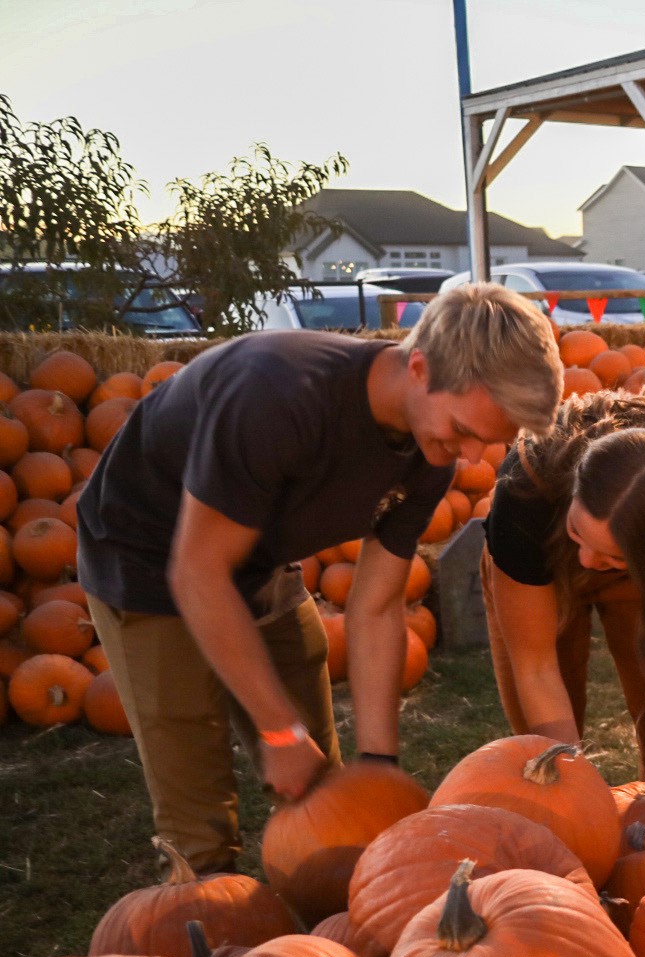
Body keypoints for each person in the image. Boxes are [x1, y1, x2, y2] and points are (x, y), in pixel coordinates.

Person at [77, 284, 562, 871]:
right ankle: (203, 924)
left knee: (320, 787)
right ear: (418, 367)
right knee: (197, 797)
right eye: (464, 431)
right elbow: (199, 573)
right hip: (148, 556)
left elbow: (378, 606)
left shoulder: (429, 447)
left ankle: (318, 916)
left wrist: (378, 766)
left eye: (488, 440)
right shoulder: (278, 396)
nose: (469, 454)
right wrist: (278, 732)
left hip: (257, 552)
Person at [482, 391, 645, 782]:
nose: (587, 562)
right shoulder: (525, 493)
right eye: (578, 531)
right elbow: (535, 667)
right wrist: (571, 789)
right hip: (539, 566)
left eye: (611, 557)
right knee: (546, 756)